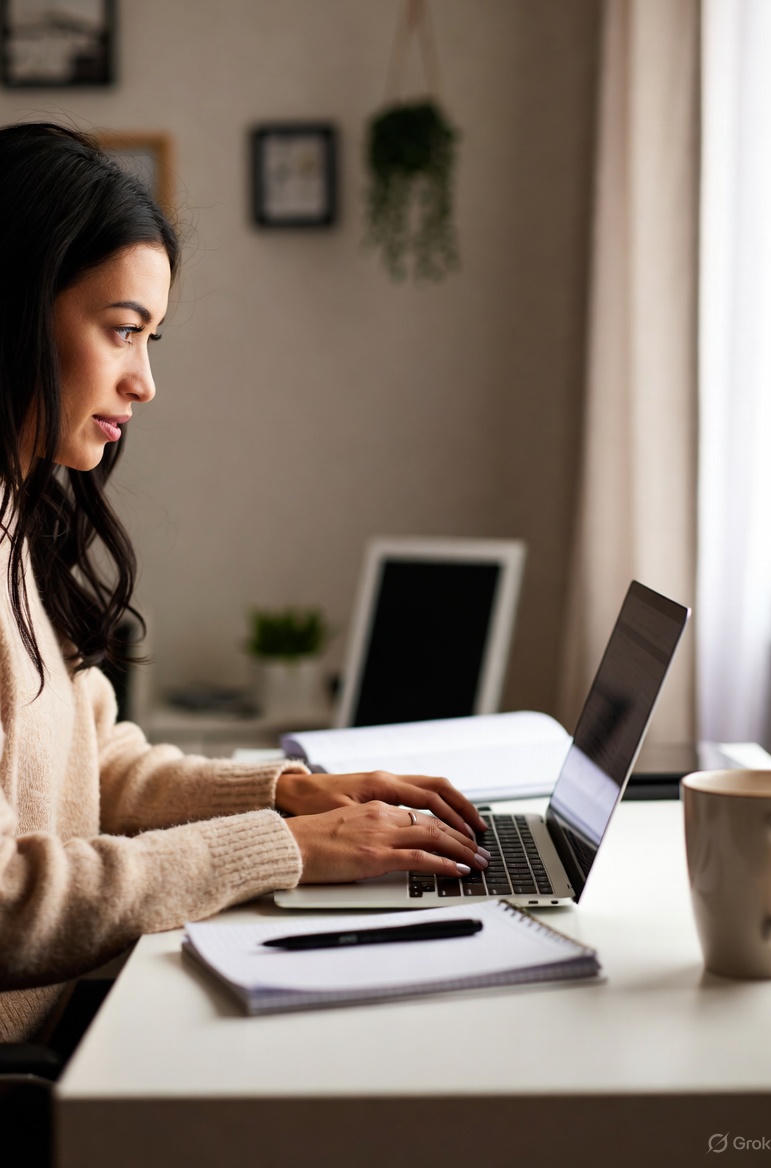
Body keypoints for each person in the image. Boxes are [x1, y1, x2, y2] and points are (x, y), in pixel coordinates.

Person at [0, 123, 490, 1048]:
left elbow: (97, 772)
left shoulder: (16, 517)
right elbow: (8, 904)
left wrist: (292, 794)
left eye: (152, 339)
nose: (144, 383)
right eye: (122, 332)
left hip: (72, 1030)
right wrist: (285, 851)